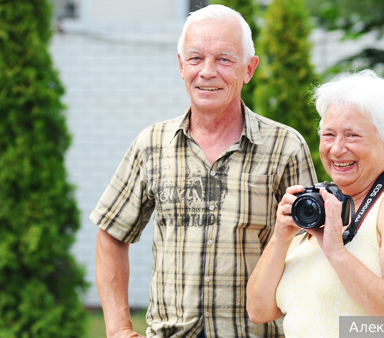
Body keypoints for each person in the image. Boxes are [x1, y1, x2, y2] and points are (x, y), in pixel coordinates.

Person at [91, 5, 316, 338]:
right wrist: (119, 328)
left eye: (224, 59)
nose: (208, 72)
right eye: (196, 59)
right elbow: (111, 234)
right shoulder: (151, 144)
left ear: (249, 69)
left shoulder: (286, 147)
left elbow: (311, 249)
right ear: (181, 66)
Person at [246, 70, 384, 337]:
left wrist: (336, 253)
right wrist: (280, 237)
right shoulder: (319, 205)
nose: (336, 149)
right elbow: (259, 311)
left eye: (352, 136)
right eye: (329, 135)